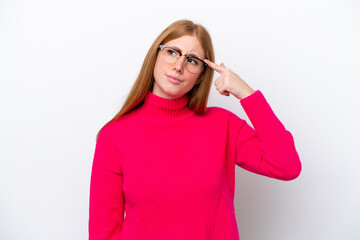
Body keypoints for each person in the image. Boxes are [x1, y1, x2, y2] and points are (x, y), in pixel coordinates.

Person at [88, 19, 302, 240]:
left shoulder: (223, 125)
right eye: (172, 52)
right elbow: (104, 232)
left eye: (192, 60)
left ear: (201, 75)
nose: (178, 66)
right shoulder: (115, 136)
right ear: (155, 56)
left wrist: (246, 94)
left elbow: (286, 166)